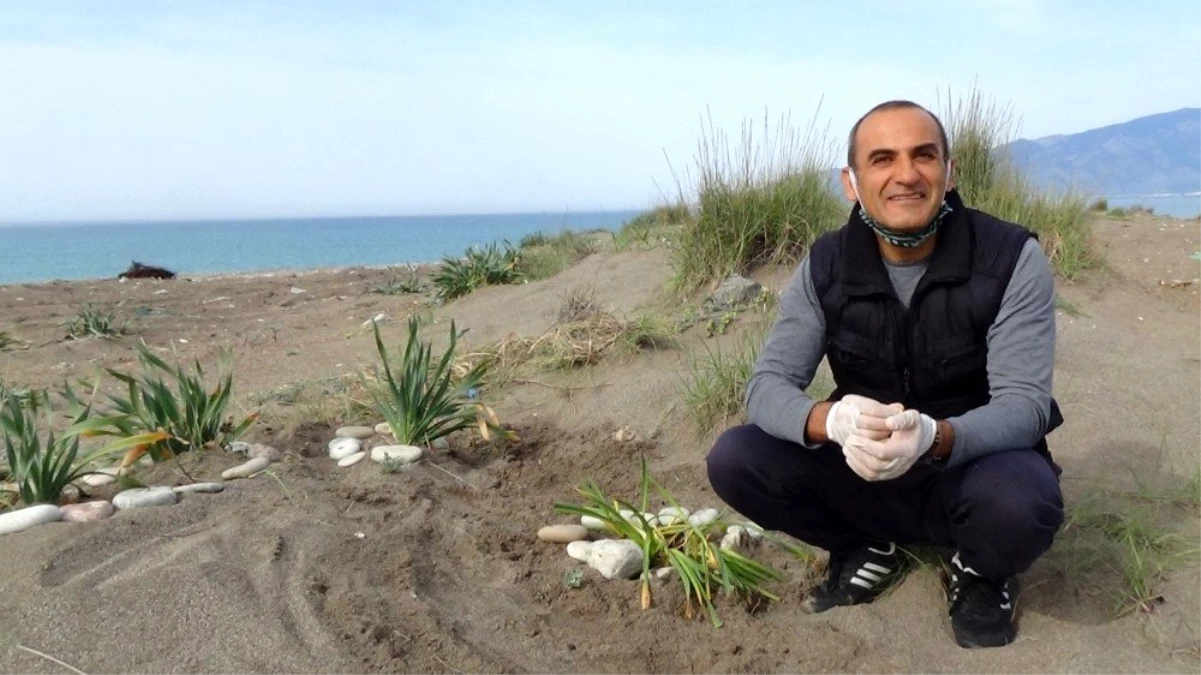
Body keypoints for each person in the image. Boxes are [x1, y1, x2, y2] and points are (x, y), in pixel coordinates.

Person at [705, 100, 1065, 649]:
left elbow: (1025, 405)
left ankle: (980, 572)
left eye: (924, 155)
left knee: (1025, 504)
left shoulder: (1012, 257)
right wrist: (833, 422)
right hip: (861, 470)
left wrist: (935, 437)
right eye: (882, 159)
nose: (906, 174)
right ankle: (861, 546)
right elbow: (766, 386)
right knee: (736, 459)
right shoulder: (824, 264)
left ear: (950, 172)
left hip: (968, 470)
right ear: (851, 182)